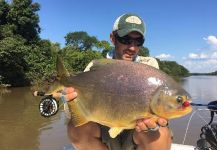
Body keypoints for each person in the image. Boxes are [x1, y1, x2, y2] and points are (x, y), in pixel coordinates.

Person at [59, 13, 172, 150]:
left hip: (136, 130)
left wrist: (158, 121)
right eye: (126, 39)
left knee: (161, 134)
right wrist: (69, 100)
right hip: (104, 127)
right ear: (113, 38)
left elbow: (158, 110)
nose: (132, 48)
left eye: (138, 42)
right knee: (75, 128)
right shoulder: (95, 67)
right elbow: (74, 112)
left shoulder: (149, 66)